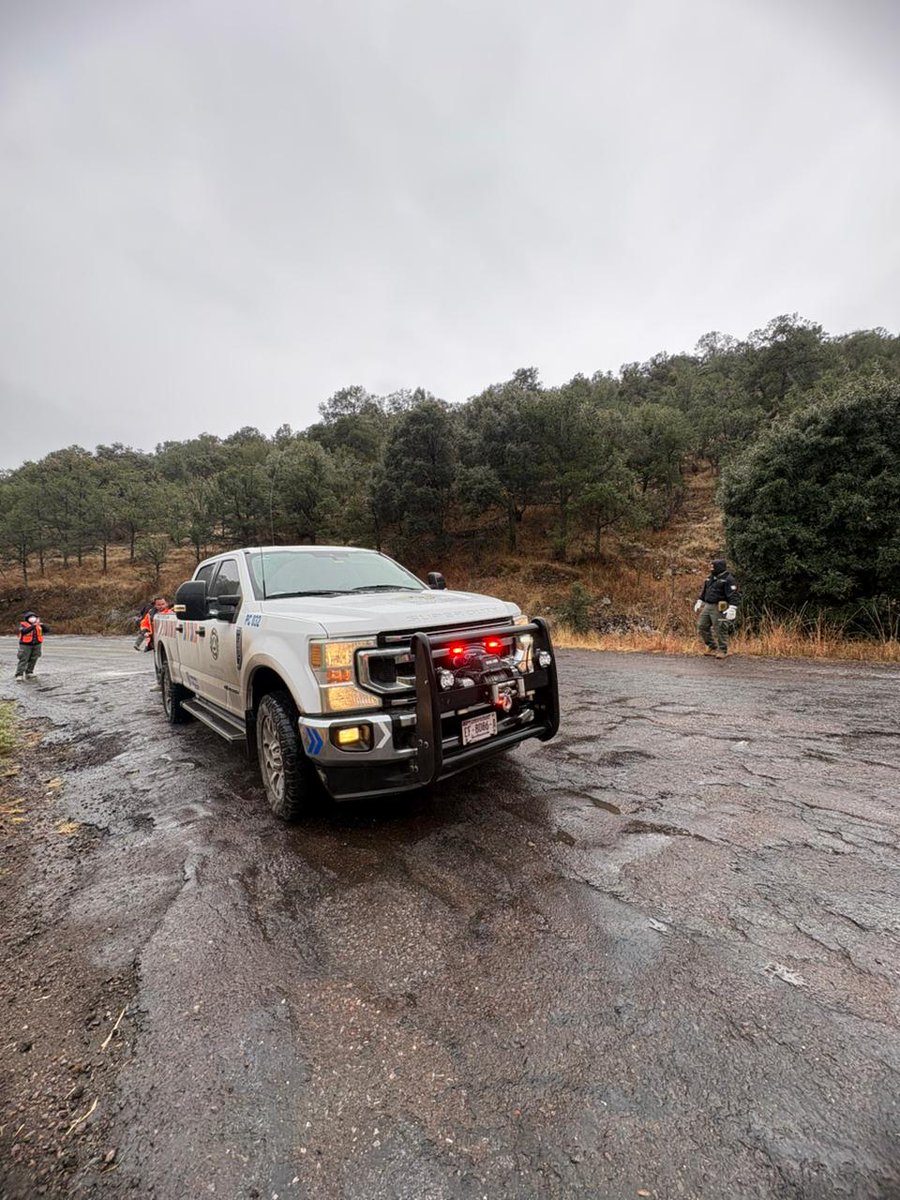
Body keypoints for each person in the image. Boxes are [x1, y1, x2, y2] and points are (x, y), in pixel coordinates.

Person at [694, 558, 740, 658]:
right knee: (702, 626)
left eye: (713, 567)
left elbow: (733, 595)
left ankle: (723, 650)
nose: (711, 568)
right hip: (708, 605)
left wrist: (733, 608)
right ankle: (712, 647)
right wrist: (699, 601)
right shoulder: (710, 578)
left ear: (719, 567)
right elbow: (705, 590)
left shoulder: (728, 579)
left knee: (720, 628)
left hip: (721, 606)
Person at [15, 611, 44, 681]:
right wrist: (33, 626)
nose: (33, 618)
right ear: (27, 618)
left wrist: (42, 625)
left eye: (34, 617)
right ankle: (19, 674)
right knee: (23, 659)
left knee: (34, 659)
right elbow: (24, 631)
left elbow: (46, 630)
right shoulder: (23, 625)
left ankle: (29, 672)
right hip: (25, 645)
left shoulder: (38, 625)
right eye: (31, 617)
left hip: (37, 645)